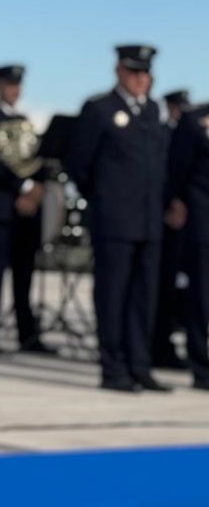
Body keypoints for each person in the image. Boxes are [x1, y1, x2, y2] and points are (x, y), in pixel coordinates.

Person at [65, 45, 170, 393]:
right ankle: (113, 369)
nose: (141, 79)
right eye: (134, 72)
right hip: (114, 220)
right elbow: (78, 162)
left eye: (146, 73)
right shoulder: (100, 109)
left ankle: (139, 365)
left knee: (144, 297)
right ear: (119, 72)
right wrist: (103, 198)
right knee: (113, 296)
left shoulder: (152, 110)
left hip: (149, 220)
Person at [0, 65, 52, 355]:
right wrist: (23, 187)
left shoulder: (24, 121)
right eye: (9, 84)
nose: (14, 90)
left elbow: (34, 160)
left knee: (24, 276)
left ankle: (27, 336)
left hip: (25, 213)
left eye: (17, 85)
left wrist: (36, 189)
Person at [165, 98, 209, 390]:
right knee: (201, 297)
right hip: (203, 221)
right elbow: (177, 168)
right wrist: (176, 202)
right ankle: (202, 366)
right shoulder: (195, 120)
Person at [153, 89, 193, 370]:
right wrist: (171, 203)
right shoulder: (161, 133)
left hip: (187, 223)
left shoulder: (188, 136)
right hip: (164, 220)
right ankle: (158, 345)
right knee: (162, 287)